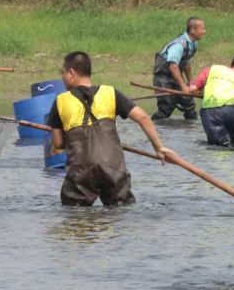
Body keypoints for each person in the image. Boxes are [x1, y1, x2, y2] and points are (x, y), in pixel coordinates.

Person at [47, 51, 172, 206]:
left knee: (75, 212)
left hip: (81, 172)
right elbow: (143, 118)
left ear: (71, 73)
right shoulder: (110, 93)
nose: (62, 78)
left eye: (63, 73)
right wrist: (159, 147)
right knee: (121, 210)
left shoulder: (60, 101)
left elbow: (58, 143)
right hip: (113, 170)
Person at [188, 55, 234, 147]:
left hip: (208, 113)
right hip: (230, 112)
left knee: (218, 146)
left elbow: (192, 89)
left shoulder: (212, 69)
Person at [151, 16, 206, 121]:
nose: (204, 31)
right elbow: (173, 66)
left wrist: (191, 84)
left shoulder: (193, 44)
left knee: (189, 105)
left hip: (176, 77)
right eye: (202, 29)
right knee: (166, 109)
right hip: (163, 77)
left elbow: (186, 64)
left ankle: (189, 128)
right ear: (193, 30)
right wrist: (183, 86)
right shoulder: (179, 44)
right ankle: (151, 125)